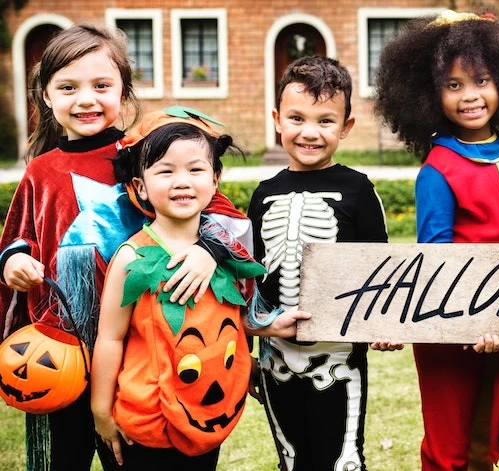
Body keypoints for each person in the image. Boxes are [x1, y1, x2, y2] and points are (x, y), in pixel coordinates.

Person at [0, 24, 248, 471]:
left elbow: (223, 213)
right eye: (68, 88)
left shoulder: (144, 156)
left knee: (129, 452)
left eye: (101, 85)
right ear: (47, 96)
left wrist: (208, 249)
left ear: (124, 90)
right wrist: (15, 260)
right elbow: (19, 235)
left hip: (141, 346)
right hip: (65, 350)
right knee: (68, 456)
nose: (86, 99)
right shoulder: (40, 171)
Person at [372, 9, 499, 470]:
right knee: (453, 446)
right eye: (454, 85)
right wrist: (465, 326)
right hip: (454, 331)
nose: (470, 96)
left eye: (482, 81)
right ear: (430, 95)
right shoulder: (438, 170)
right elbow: (435, 260)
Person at [90, 111, 309, 470]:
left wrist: (263, 333)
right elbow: (110, 337)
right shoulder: (131, 258)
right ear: (140, 186)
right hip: (149, 422)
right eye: (165, 170)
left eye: (195, 170)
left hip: (209, 414)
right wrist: (100, 410)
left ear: (215, 180)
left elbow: (227, 320)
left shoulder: (223, 254)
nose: (182, 181)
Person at [248, 55, 392, 471]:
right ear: (277, 120)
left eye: (325, 121)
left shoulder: (359, 190)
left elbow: (382, 271)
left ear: (346, 127)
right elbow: (252, 278)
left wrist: (384, 325)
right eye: (297, 118)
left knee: (342, 463)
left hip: (339, 359)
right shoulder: (263, 193)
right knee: (291, 461)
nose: (309, 132)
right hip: (274, 356)